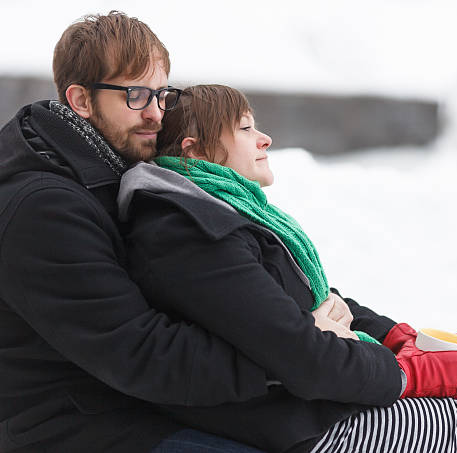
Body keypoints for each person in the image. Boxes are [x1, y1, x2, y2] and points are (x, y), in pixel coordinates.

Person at [118, 84, 457, 453]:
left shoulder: (228, 213)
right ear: (194, 149)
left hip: (355, 382)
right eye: (246, 128)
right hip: (327, 418)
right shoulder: (188, 234)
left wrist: (395, 335)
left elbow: (321, 303)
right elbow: (302, 353)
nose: (265, 138)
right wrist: (409, 373)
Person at [0, 12, 269, 453]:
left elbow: (240, 269)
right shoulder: (44, 206)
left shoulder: (120, 170)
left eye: (162, 94)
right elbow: (140, 353)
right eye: (137, 95)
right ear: (81, 101)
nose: (157, 114)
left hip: (148, 404)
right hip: (75, 428)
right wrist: (287, 358)